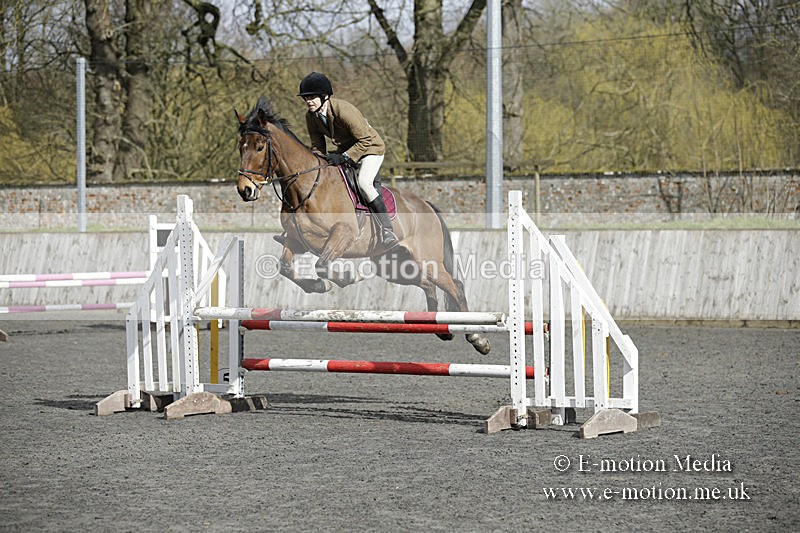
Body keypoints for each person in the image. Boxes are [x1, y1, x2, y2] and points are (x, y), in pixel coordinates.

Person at [298, 72, 398, 247]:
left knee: (364, 183)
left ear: (325, 96)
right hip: (346, 151)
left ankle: (387, 230)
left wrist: (344, 157)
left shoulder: (343, 110)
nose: (308, 101)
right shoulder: (311, 116)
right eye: (306, 98)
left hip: (370, 149)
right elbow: (317, 146)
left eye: (312, 97)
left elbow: (365, 139)